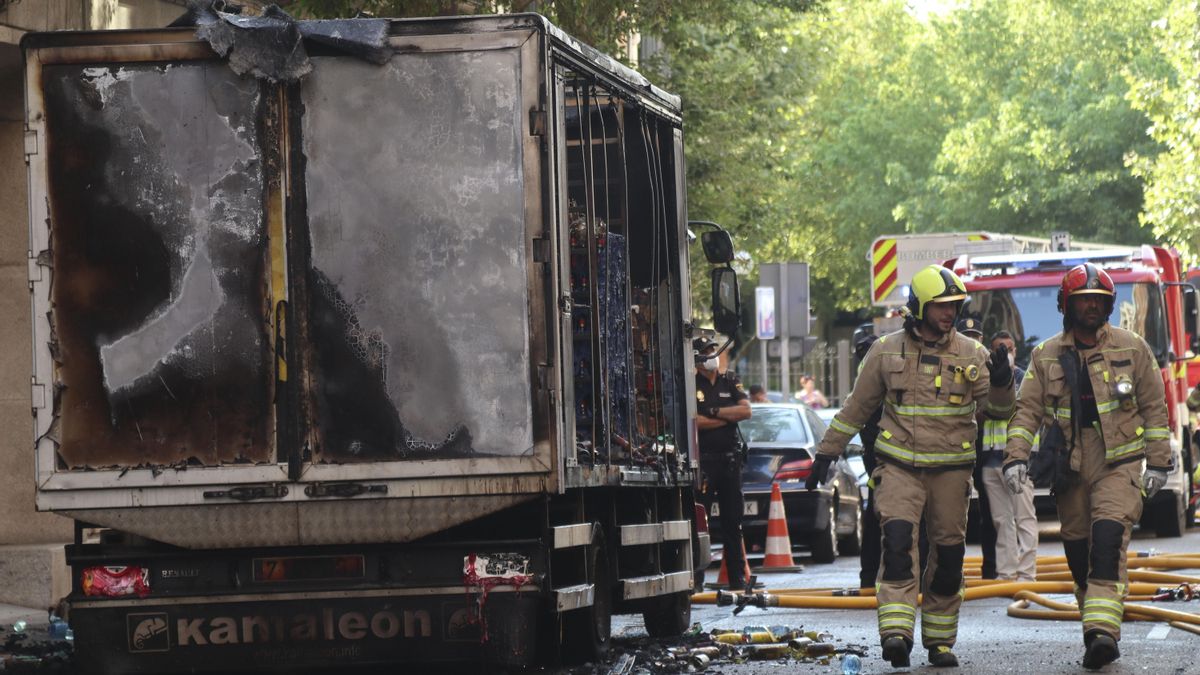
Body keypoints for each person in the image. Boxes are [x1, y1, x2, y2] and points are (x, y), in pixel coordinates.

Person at [808, 265, 1015, 669]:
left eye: (954, 306)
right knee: (899, 545)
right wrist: (826, 453)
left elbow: (1000, 411)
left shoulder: (973, 355)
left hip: (953, 472)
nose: (948, 314)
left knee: (949, 556)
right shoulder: (885, 351)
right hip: (898, 466)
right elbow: (856, 409)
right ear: (919, 307)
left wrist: (1004, 381)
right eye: (940, 306)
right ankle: (896, 635)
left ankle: (938, 641)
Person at [1003, 263, 1171, 670]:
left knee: (1108, 541)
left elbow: (1153, 408)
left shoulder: (1132, 348)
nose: (1092, 306)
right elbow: (1026, 413)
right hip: (1070, 467)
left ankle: (1102, 636)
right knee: (1079, 554)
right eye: (1084, 300)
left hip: (1120, 462)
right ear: (1067, 306)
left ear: (1109, 305)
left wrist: (1159, 464)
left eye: (1099, 300)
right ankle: (1094, 624)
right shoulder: (1046, 357)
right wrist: (1015, 458)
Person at [694, 335, 753, 590]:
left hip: (729, 461)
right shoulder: (692, 384)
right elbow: (695, 421)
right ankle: (696, 579)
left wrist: (715, 413)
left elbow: (746, 411)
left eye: (712, 351)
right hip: (705, 464)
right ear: (697, 359)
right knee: (699, 523)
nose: (712, 356)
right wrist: (729, 417)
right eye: (706, 352)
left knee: (733, 522)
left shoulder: (730, 379)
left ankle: (737, 579)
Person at [979, 330, 1037, 581]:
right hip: (990, 461)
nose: (1006, 353)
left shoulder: (1023, 379)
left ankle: (1026, 573)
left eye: (1010, 349)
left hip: (1015, 461)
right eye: (1000, 349)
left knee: (1024, 518)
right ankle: (1006, 573)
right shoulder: (984, 379)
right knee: (1002, 521)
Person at [958, 317, 999, 581]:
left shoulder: (987, 365)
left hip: (983, 447)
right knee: (950, 517)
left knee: (990, 512)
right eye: (967, 336)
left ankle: (991, 569)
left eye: (976, 336)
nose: (972, 341)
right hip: (955, 446)